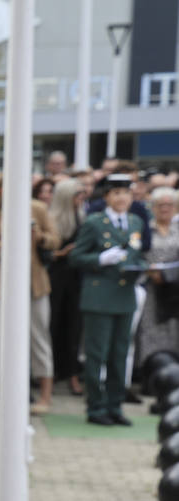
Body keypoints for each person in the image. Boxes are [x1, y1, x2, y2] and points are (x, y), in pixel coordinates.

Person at [71, 174, 149, 426]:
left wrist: (141, 267)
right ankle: (96, 406)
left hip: (125, 294)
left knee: (120, 353)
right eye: (116, 193)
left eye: (126, 193)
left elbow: (136, 252)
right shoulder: (95, 222)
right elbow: (76, 257)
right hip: (100, 295)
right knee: (97, 354)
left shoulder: (135, 221)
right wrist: (100, 259)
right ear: (107, 197)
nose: (121, 198)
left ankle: (115, 405)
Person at [0, 179, 59, 411]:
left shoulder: (38, 209)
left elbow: (56, 240)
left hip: (34, 286)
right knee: (0, 341)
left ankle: (45, 396)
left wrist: (39, 237)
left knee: (39, 339)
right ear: (0, 190)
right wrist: (4, 244)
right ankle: (5, 395)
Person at [46, 177, 86, 396]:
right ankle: (50, 373)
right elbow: (44, 252)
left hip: (76, 279)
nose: (81, 199)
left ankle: (71, 372)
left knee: (74, 327)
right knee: (52, 325)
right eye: (77, 195)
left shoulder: (82, 218)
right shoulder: (52, 218)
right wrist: (61, 254)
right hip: (55, 278)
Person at [136, 187, 179, 370]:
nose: (165, 208)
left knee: (173, 330)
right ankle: (149, 372)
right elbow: (136, 254)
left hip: (174, 289)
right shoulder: (145, 229)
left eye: (169, 204)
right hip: (150, 288)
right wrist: (148, 271)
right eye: (160, 205)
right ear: (152, 208)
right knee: (149, 330)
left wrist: (168, 274)